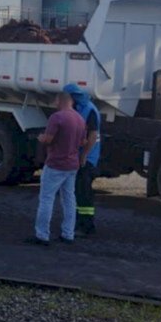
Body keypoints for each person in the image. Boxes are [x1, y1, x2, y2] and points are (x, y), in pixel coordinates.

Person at [28, 89, 86, 246]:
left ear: (60, 101)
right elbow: (82, 142)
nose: (54, 104)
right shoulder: (80, 119)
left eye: (55, 101)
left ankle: (42, 235)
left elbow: (48, 139)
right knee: (69, 199)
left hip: (55, 164)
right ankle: (68, 234)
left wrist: (41, 138)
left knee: (47, 199)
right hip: (72, 165)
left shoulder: (57, 117)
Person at [63, 83, 101, 236]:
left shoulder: (89, 110)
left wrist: (84, 155)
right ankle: (80, 223)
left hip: (87, 159)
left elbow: (92, 135)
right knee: (79, 191)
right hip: (82, 157)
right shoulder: (81, 107)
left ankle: (87, 226)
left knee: (83, 193)